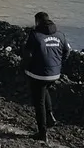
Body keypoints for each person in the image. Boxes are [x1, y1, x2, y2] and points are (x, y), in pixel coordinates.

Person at [20, 11, 69, 140]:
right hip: (55, 74)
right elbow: (67, 52)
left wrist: (26, 67)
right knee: (44, 89)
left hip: (38, 74)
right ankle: (50, 116)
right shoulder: (60, 35)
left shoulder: (35, 35)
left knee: (39, 102)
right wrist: (58, 64)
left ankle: (42, 133)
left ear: (37, 22)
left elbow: (28, 55)